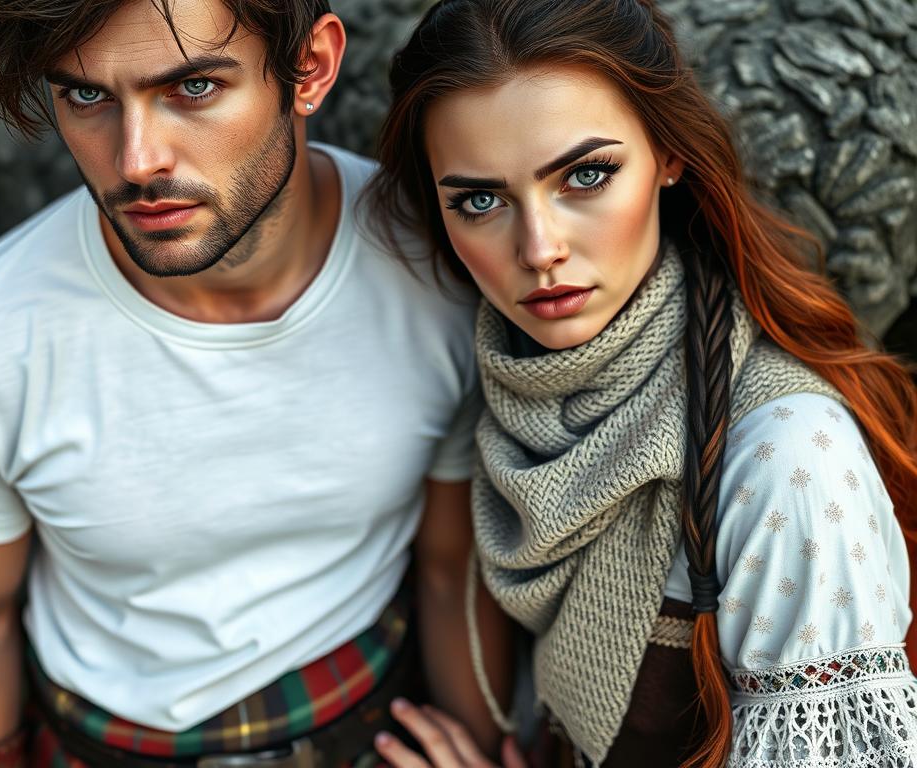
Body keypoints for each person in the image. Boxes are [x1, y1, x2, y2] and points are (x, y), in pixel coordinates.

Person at [0, 1, 512, 765]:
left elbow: (453, 570)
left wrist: (484, 748)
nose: (137, 161)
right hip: (102, 742)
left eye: (192, 89)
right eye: (87, 96)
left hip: (370, 725)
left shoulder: (435, 272)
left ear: (310, 68)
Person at [363, 0, 917, 766]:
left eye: (586, 175)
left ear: (668, 155)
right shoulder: (498, 390)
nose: (539, 247)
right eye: (480, 200)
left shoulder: (788, 459)